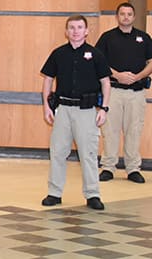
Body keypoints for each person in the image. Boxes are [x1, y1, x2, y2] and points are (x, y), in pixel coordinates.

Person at [40, 15, 110, 211]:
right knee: (58, 152)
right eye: (72, 27)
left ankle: (93, 194)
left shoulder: (96, 54)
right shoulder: (58, 54)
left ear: (86, 31)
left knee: (87, 153)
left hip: (86, 111)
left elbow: (105, 83)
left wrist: (104, 108)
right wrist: (46, 106)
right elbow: (47, 80)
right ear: (66, 31)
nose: (76, 31)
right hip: (62, 109)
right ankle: (54, 193)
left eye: (80, 27)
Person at [95, 2, 152, 184]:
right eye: (122, 14)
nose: (125, 17)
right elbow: (98, 62)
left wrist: (137, 77)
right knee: (110, 130)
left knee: (134, 130)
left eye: (129, 14)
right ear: (117, 17)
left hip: (136, 92)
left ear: (134, 16)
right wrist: (117, 75)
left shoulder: (143, 38)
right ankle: (108, 167)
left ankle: (133, 169)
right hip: (113, 91)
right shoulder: (107, 38)